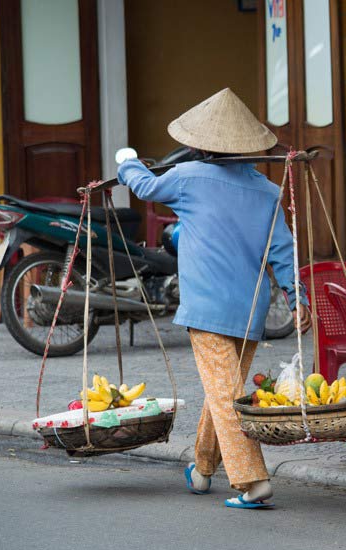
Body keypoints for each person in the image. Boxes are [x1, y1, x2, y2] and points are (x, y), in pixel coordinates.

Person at [117, 88, 311, 509]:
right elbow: (283, 251)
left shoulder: (188, 178)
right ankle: (203, 469)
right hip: (250, 311)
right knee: (223, 388)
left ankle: (252, 481)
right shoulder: (266, 191)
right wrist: (299, 300)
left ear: (202, 145)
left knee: (225, 394)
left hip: (207, 310)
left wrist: (126, 162)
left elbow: (146, 186)